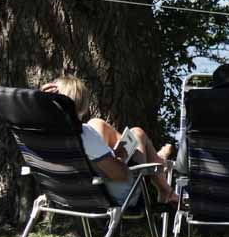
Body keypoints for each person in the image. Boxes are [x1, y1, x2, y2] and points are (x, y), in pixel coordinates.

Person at [38, 76, 178, 205]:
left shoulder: (39, 133)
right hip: (114, 195)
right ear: (81, 102)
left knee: (97, 123)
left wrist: (40, 100)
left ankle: (158, 164)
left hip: (63, 192)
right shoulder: (84, 134)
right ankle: (160, 171)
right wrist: (120, 156)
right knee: (137, 133)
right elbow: (120, 175)